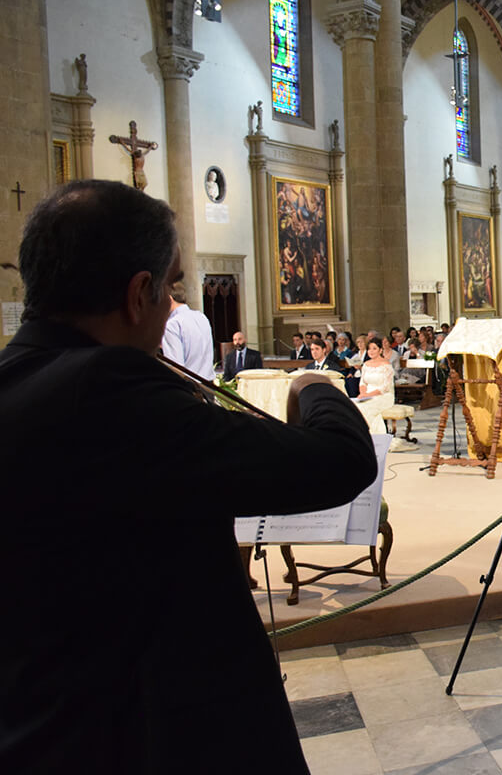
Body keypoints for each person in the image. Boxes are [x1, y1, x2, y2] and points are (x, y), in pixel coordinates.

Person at [0, 179, 377, 773]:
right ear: (138, 294)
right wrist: (313, 387)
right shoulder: (109, 391)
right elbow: (339, 460)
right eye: (172, 285)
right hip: (151, 731)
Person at [160, 283, 215, 380]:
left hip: (190, 387)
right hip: (209, 385)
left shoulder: (172, 324)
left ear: (169, 299)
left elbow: (176, 368)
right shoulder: (201, 316)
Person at [355, 337, 396, 434]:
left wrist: (368, 395)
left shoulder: (386, 365)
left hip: (383, 396)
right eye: (369, 349)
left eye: (374, 348)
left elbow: (385, 387)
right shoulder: (366, 364)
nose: (371, 351)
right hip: (367, 395)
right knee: (355, 406)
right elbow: (362, 382)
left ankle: (366, 435)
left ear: (380, 350)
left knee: (366, 408)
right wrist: (363, 393)